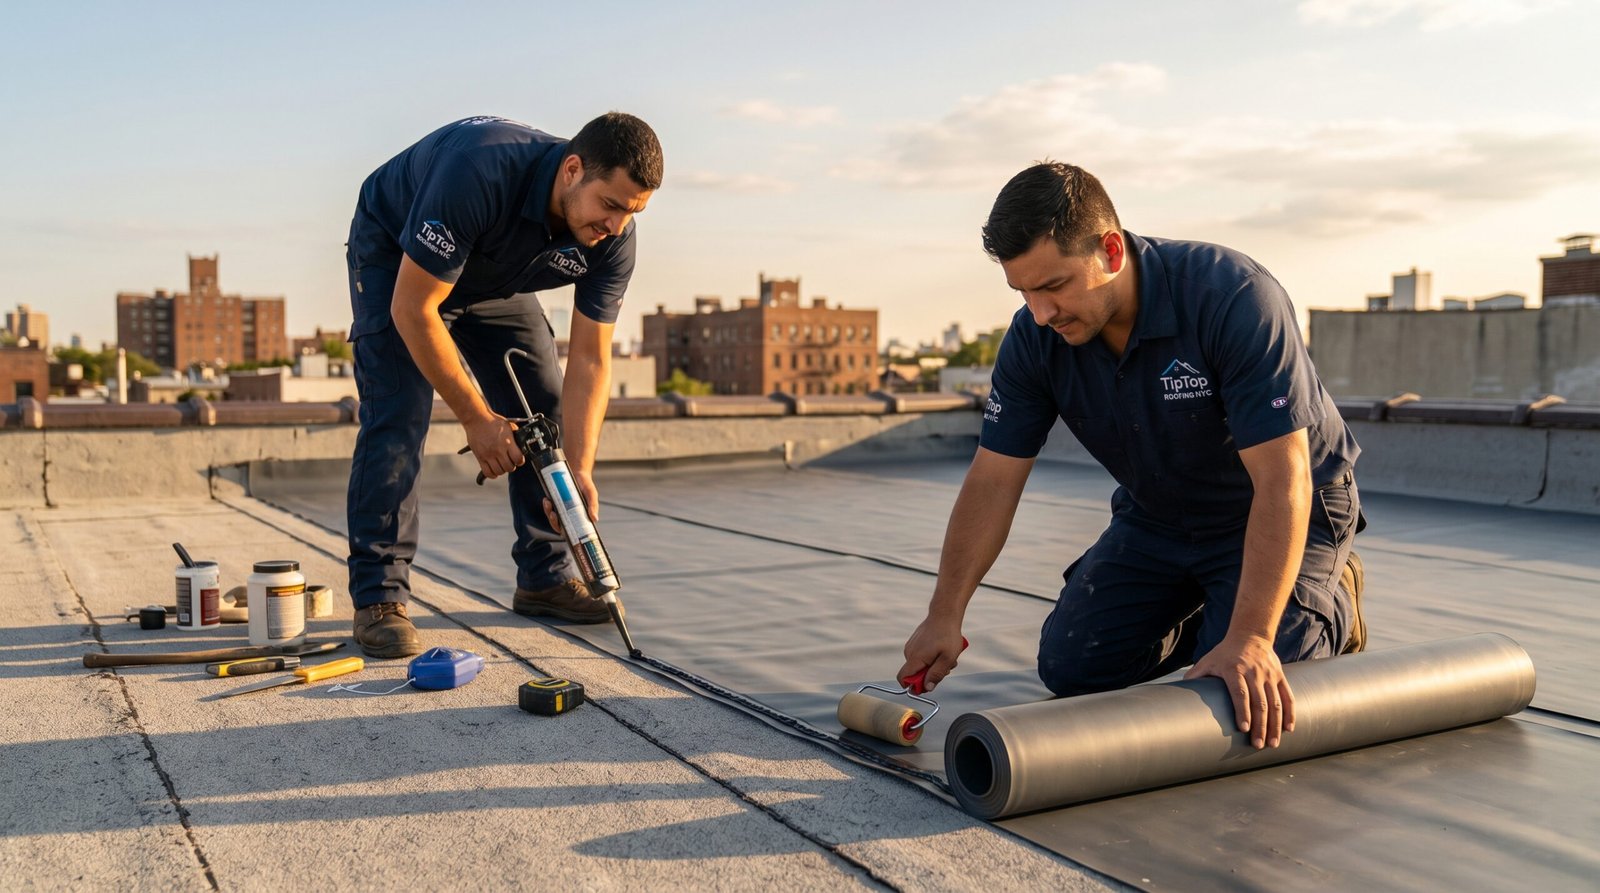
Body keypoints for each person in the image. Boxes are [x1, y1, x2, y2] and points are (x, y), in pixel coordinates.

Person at [898, 162, 1365, 749]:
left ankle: (1325, 599)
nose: (1041, 312)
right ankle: (1220, 609)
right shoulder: (1035, 339)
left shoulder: (1232, 297)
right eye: (1024, 292)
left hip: (1285, 507)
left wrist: (1250, 636)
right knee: (1072, 668)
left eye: (1055, 286)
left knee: (1243, 697)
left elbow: (1283, 478)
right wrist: (944, 613)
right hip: (1162, 514)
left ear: (1111, 251)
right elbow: (992, 480)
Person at [343, 113, 663, 658]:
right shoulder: (477, 170)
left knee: (543, 403)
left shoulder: (614, 238)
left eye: (632, 212)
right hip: (399, 258)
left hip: (495, 275)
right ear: (572, 170)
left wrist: (580, 471)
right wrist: (478, 419)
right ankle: (380, 596)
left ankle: (545, 578)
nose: (616, 225)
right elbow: (413, 309)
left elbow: (590, 359)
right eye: (610, 205)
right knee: (399, 414)